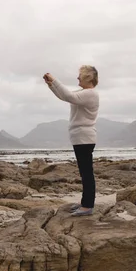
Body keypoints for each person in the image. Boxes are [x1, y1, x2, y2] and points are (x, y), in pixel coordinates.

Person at [43, 66, 99, 216]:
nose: (78, 78)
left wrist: (55, 80)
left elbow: (68, 96)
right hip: (81, 138)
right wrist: (51, 85)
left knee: (86, 173)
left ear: (89, 77)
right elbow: (64, 96)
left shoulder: (90, 94)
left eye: (80, 75)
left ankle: (87, 206)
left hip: (84, 138)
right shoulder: (84, 94)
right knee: (84, 172)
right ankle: (85, 203)